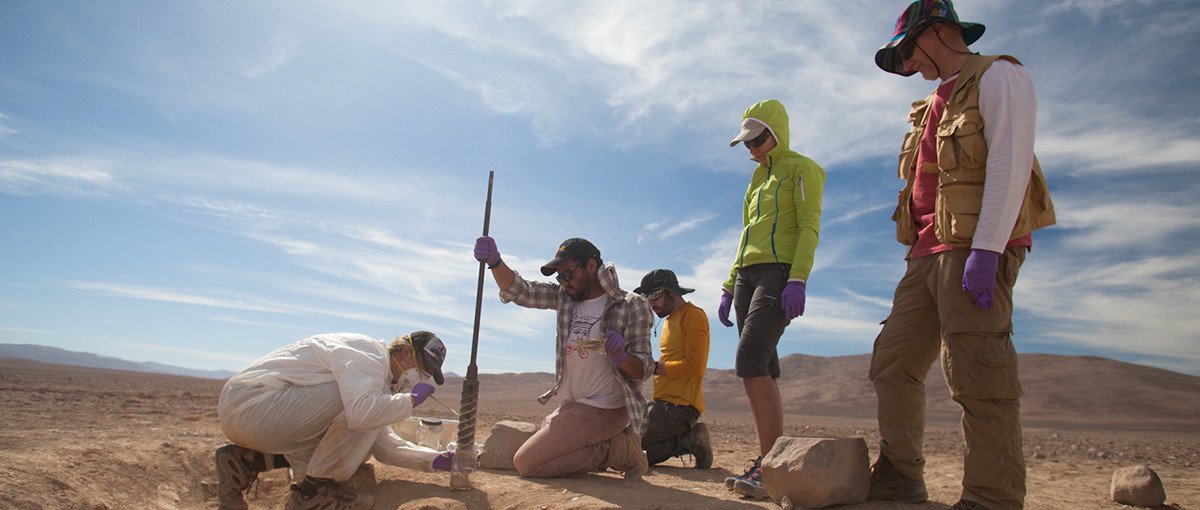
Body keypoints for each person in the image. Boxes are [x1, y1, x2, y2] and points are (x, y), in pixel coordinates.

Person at [869, 1, 1056, 509]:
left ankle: (992, 497)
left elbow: (1010, 163)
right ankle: (901, 475)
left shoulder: (999, 75)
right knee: (893, 363)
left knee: (979, 373)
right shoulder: (929, 104)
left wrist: (989, 249)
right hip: (927, 252)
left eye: (910, 50)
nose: (909, 65)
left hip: (976, 245)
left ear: (939, 32)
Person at [473, 235, 652, 480]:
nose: (564, 282)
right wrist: (495, 263)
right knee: (546, 455)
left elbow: (642, 369)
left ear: (591, 266)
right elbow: (523, 292)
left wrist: (622, 357)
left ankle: (616, 451)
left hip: (607, 407)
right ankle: (606, 446)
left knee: (527, 463)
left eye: (568, 274)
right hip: (572, 406)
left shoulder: (632, 304)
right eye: (559, 277)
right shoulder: (565, 298)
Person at [719, 98, 826, 499]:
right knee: (765, 364)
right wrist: (730, 285)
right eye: (746, 143)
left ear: (777, 133)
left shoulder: (802, 169)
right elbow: (746, 234)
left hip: (779, 272)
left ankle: (770, 465)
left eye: (757, 139)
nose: (751, 148)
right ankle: (773, 462)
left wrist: (797, 279)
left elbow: (808, 226)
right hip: (747, 275)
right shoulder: (755, 180)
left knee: (749, 359)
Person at [215, 332, 455, 510]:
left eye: (428, 373)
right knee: (360, 410)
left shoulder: (376, 382)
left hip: (262, 416)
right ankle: (313, 493)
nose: (419, 377)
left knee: (360, 442)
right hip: (252, 404)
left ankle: (248, 461)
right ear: (405, 352)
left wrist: (434, 460)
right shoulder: (369, 356)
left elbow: (383, 445)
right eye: (423, 367)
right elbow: (362, 415)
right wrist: (409, 401)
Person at [634, 269, 713, 469]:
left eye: (654, 296)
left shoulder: (693, 316)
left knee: (629, 451)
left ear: (671, 291)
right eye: (647, 299)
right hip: (663, 405)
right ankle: (687, 439)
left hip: (680, 408)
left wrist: (655, 368)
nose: (652, 304)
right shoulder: (670, 320)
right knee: (627, 444)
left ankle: (689, 439)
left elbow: (695, 366)